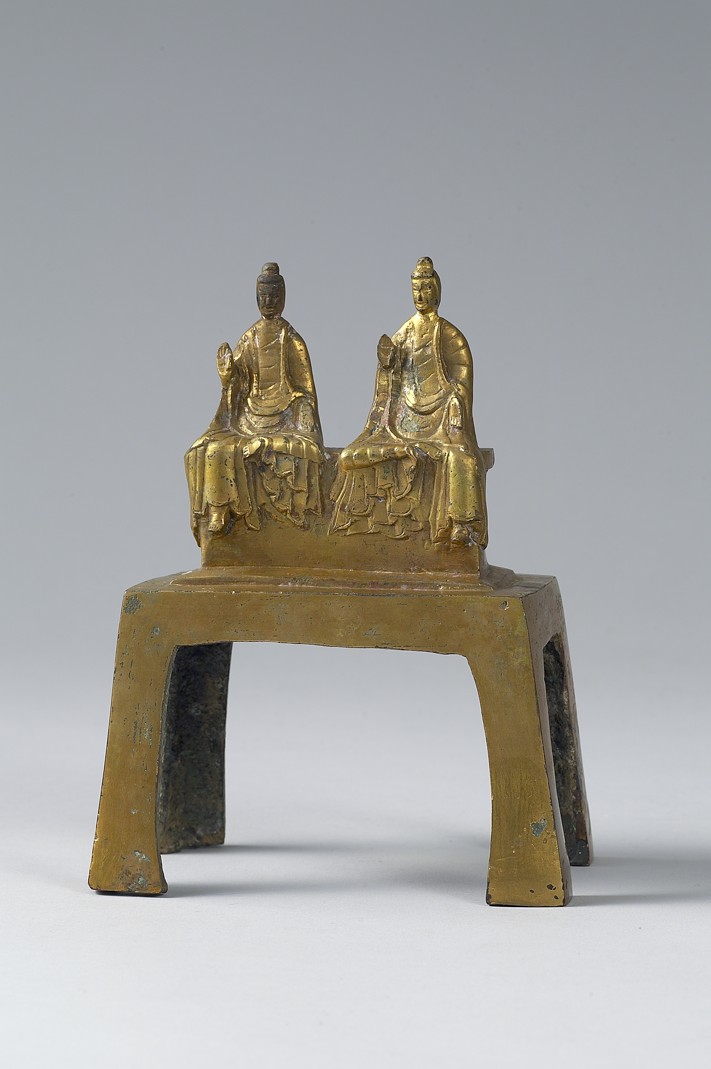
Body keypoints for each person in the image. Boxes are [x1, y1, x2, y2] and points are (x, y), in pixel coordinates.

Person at [331, 257, 487, 547]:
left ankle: (460, 526)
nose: (421, 295)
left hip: (440, 421)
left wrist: (453, 398)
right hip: (402, 425)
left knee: (460, 457)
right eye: (416, 289)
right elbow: (389, 386)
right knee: (351, 457)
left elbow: (462, 380)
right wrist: (387, 364)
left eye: (426, 289)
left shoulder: (451, 336)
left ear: (437, 292)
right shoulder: (403, 334)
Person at [186, 263, 324, 537]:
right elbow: (238, 384)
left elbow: (305, 391)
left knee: (295, 450)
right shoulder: (249, 339)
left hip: (284, 417)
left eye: (274, 296)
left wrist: (300, 408)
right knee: (211, 449)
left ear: (283, 298)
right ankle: (220, 511)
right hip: (248, 419)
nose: (269, 302)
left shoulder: (291, 340)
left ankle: (285, 514)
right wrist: (228, 376)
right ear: (256, 298)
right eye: (264, 297)